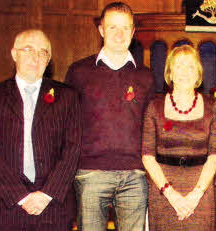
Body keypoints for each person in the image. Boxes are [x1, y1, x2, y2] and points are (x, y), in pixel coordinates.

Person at [0, 29, 81, 231]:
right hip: (7, 206)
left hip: (53, 207)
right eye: (28, 50)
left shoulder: (68, 97)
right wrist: (20, 196)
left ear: (48, 59)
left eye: (43, 52)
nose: (36, 57)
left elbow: (73, 149)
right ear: (14, 54)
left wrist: (46, 194)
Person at [65, 2, 155, 230]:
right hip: (90, 174)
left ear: (133, 33)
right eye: (112, 27)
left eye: (125, 28)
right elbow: (68, 124)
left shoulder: (146, 77)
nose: (119, 33)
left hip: (134, 176)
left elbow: (151, 128)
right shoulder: (79, 72)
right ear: (101, 30)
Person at [142, 45, 216, 230]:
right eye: (178, 66)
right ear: (170, 72)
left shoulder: (213, 107)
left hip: (201, 192)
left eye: (190, 66)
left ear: (198, 73)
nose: (184, 72)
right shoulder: (154, 107)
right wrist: (171, 194)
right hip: (163, 192)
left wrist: (196, 194)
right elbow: (147, 156)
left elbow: (215, 155)